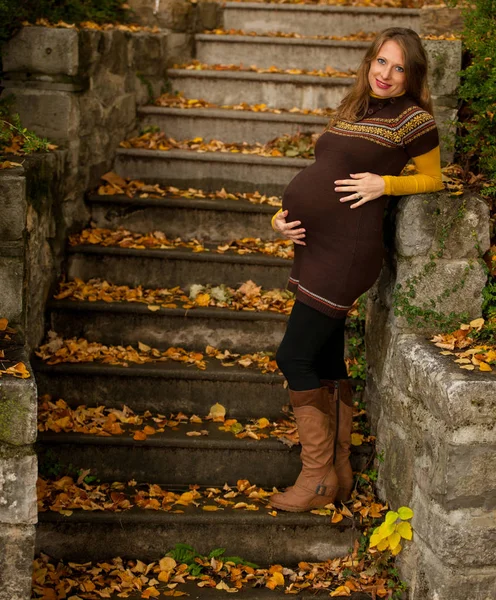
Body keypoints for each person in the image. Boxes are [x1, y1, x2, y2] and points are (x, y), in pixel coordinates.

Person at [269, 27, 444, 512]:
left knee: (294, 357)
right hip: (314, 244)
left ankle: (316, 477)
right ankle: (340, 471)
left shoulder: (415, 121)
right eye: (380, 62)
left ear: (413, 76)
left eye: (398, 67)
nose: (385, 74)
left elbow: (435, 178)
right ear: (369, 62)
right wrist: (281, 218)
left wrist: (385, 183)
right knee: (325, 360)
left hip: (346, 252)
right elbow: (320, 173)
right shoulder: (353, 108)